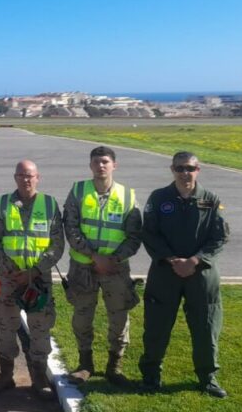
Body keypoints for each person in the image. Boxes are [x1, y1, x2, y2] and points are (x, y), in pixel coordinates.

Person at [139, 152, 229, 398]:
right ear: (172, 170)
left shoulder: (210, 200)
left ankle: (207, 377)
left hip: (200, 274)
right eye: (179, 168)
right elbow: (149, 233)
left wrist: (194, 261)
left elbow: (219, 237)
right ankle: (151, 375)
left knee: (206, 326)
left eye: (189, 168)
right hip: (165, 273)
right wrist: (171, 260)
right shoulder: (159, 198)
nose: (184, 173)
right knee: (157, 325)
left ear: (198, 169)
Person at [62, 146, 143, 385]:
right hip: (83, 269)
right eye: (96, 162)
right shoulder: (78, 191)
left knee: (119, 318)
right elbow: (71, 229)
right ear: (90, 165)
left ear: (114, 166)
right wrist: (95, 257)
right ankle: (85, 364)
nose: (101, 166)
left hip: (116, 271)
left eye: (105, 162)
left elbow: (135, 236)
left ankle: (114, 367)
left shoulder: (128, 196)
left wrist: (113, 260)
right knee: (82, 317)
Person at [0, 160, 65, 400]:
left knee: (40, 327)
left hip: (39, 279)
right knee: (5, 325)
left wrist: (35, 271)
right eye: (21, 175)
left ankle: (39, 378)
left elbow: (57, 244)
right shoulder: (3, 204)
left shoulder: (49, 205)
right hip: (10, 278)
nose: (25, 180)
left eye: (29, 176)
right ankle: (5, 374)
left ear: (37, 177)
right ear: (15, 178)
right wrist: (10, 268)